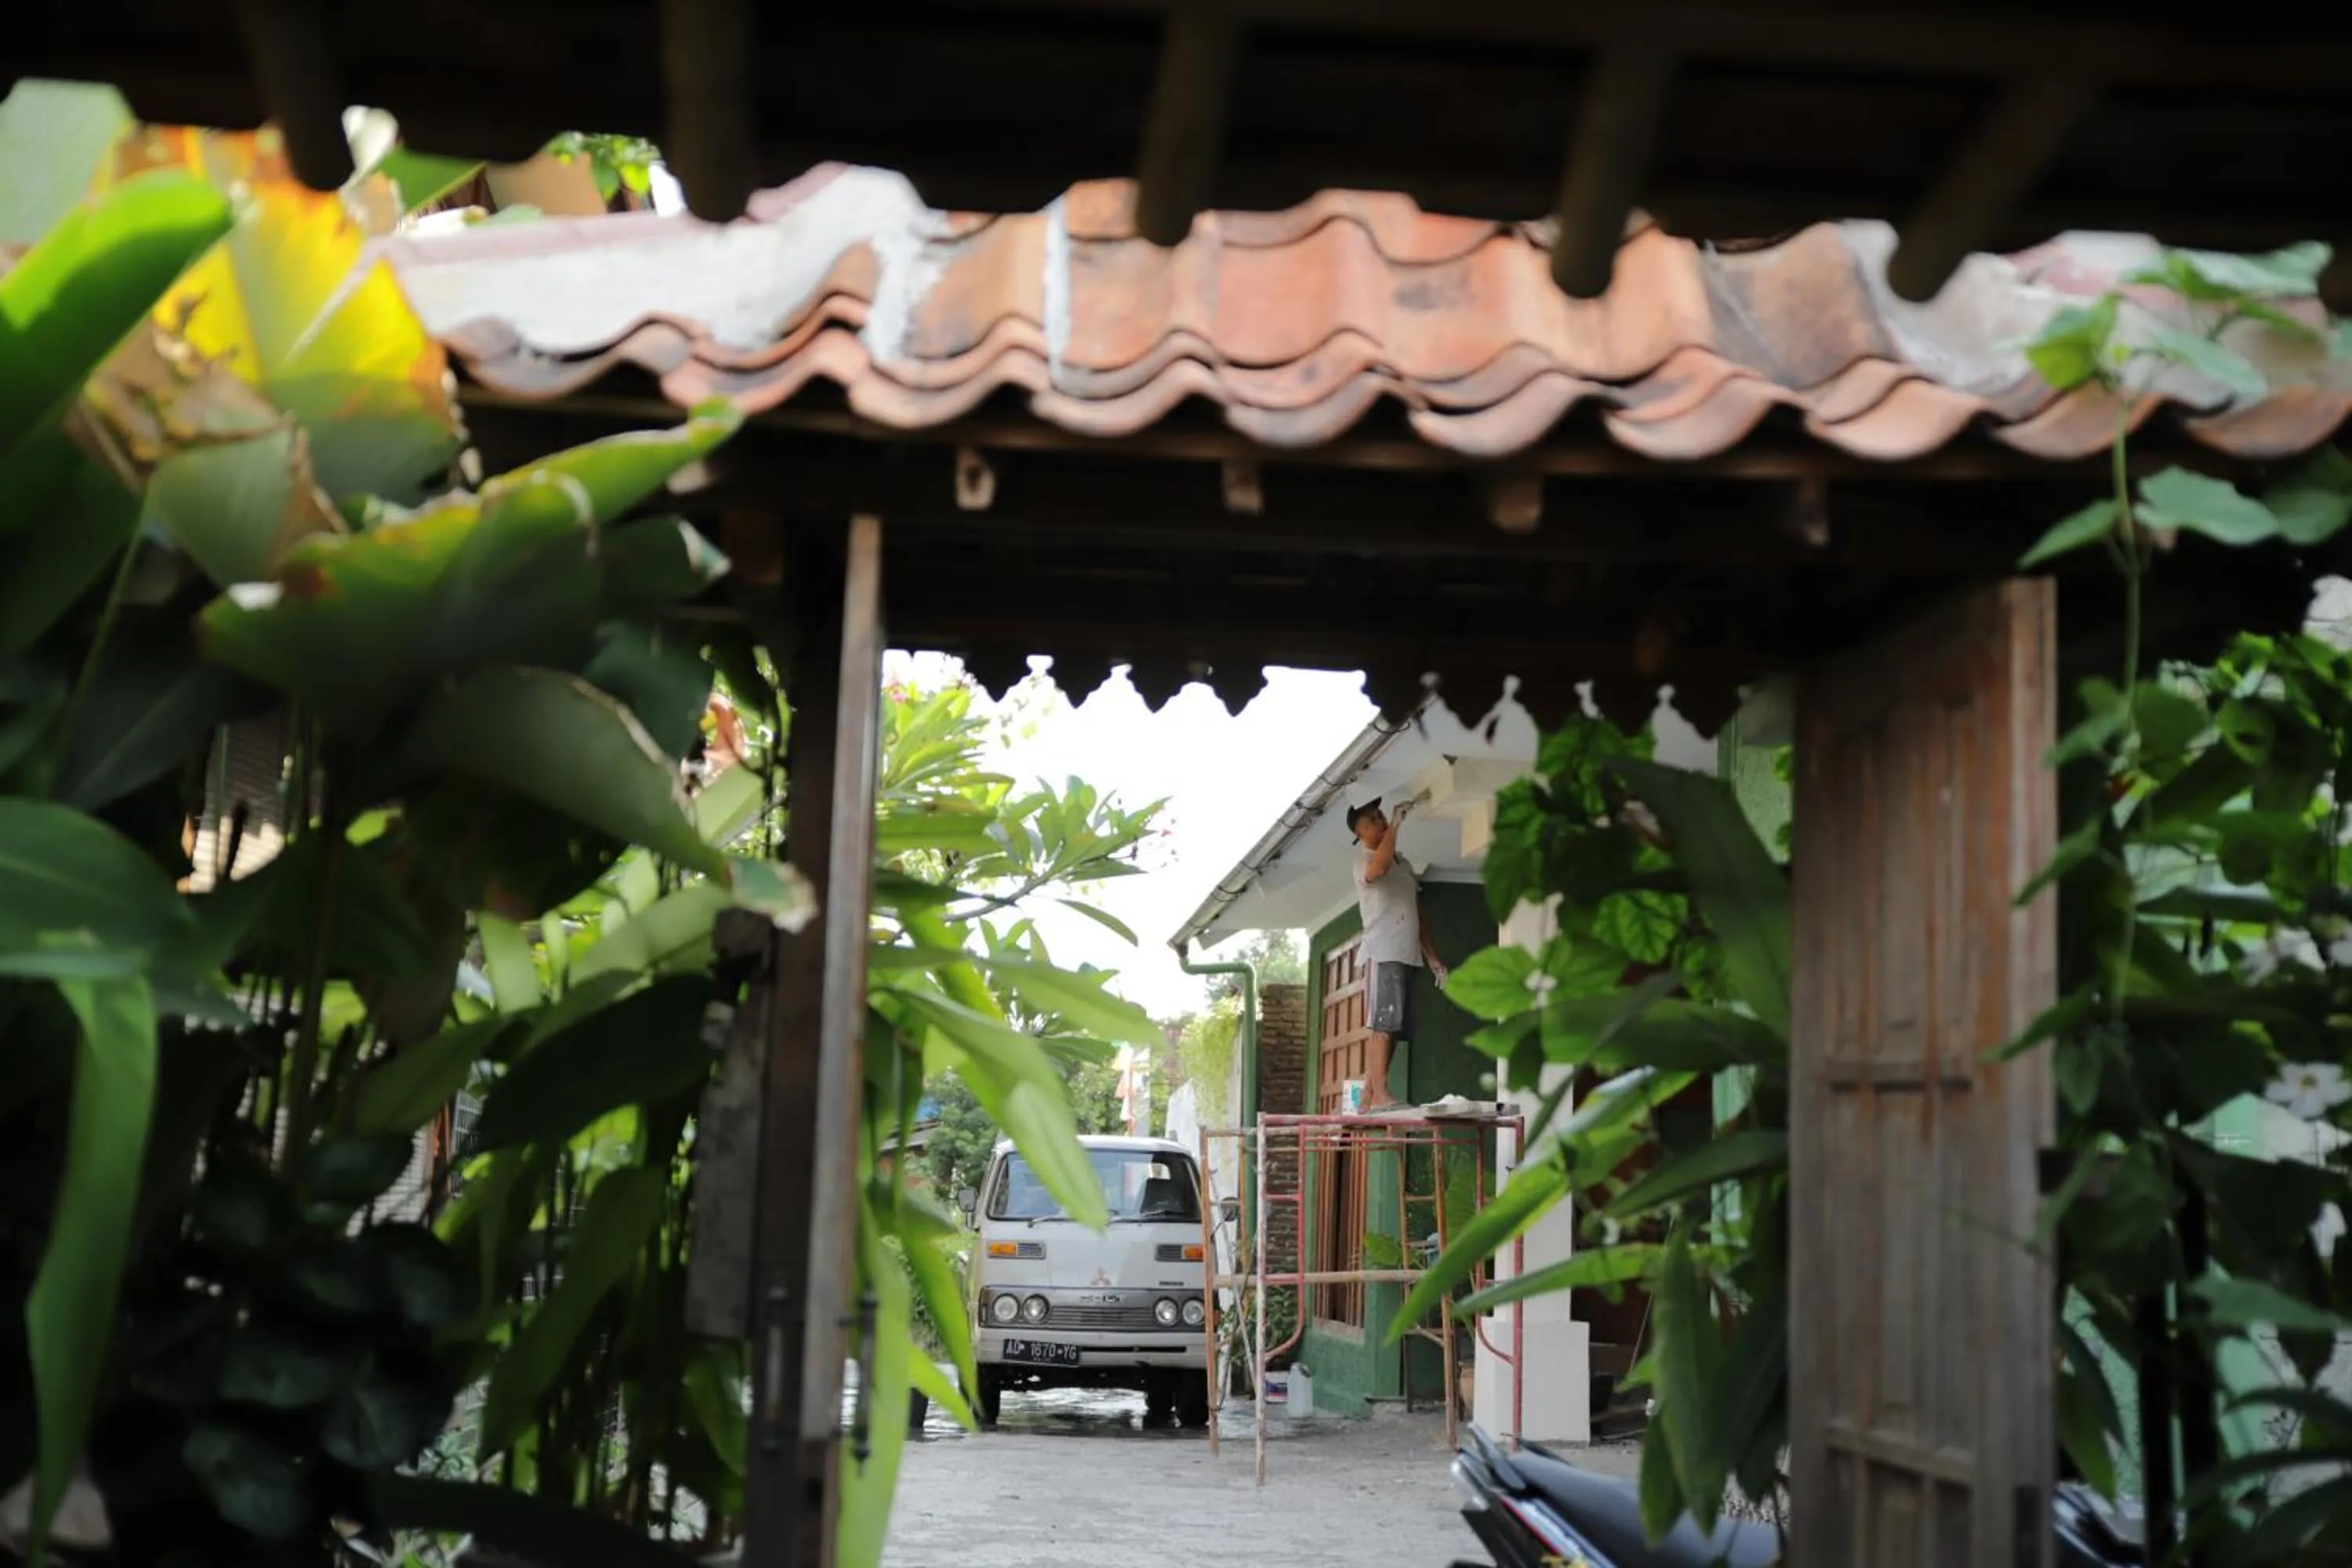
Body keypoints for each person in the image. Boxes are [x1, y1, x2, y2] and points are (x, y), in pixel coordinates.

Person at [1345, 796, 1448, 1112]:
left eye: (1380, 815)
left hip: (1407, 953)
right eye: (1372, 819)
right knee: (1383, 1024)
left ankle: (1367, 1096)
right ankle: (1380, 1095)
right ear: (1360, 832)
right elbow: (1379, 867)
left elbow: (1419, 913)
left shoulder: (1401, 863)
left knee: (1394, 1027)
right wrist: (1397, 824)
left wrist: (1433, 959)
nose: (1380, 819)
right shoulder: (1366, 861)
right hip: (1383, 950)